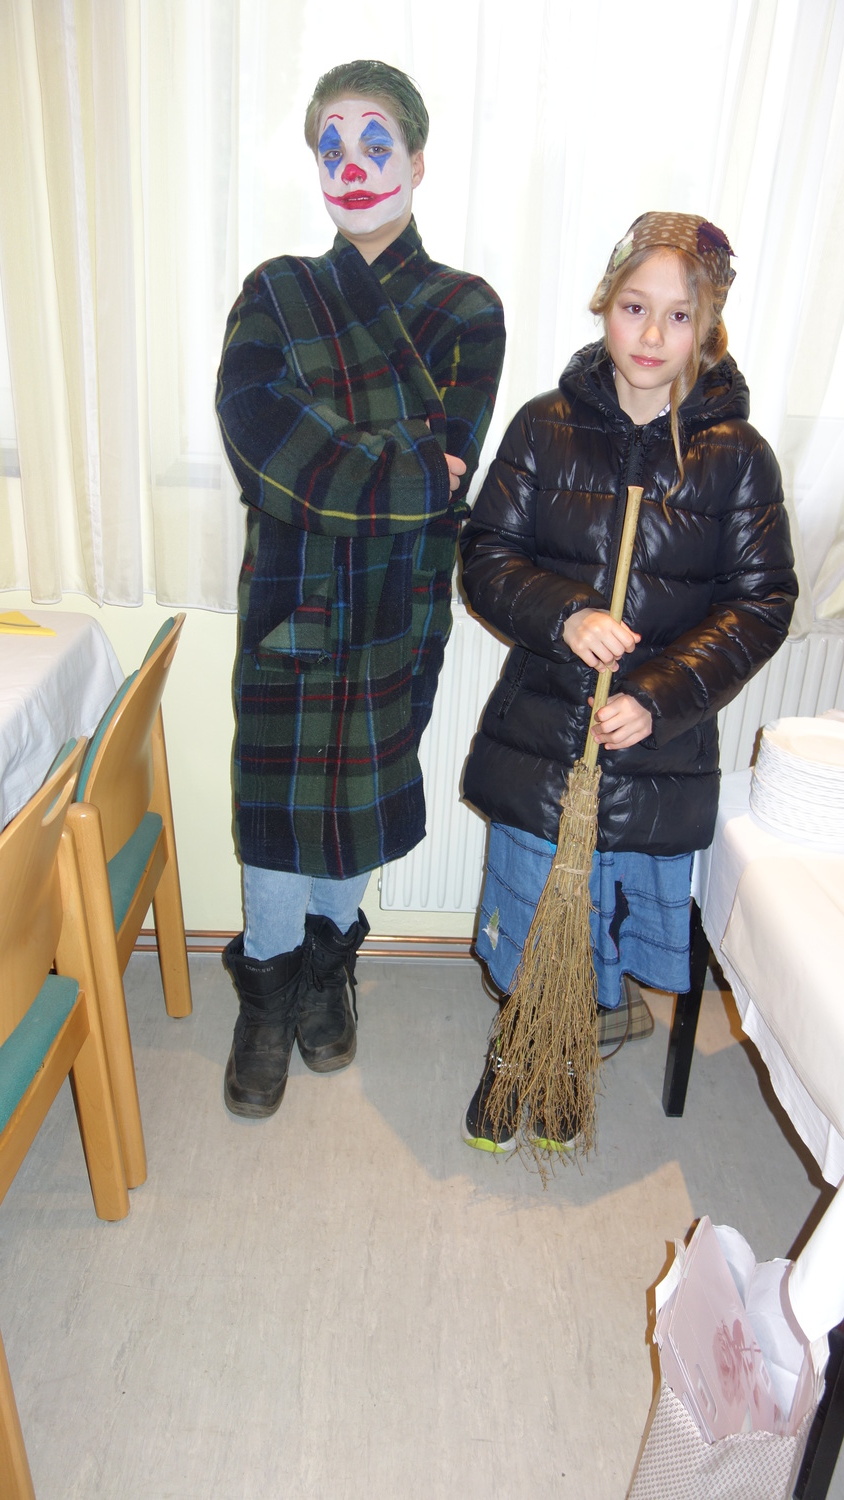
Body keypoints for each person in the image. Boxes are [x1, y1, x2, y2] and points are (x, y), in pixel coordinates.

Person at [458, 211, 798, 1154]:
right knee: (533, 899)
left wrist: (660, 694)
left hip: (655, 747)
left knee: (602, 912)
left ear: (708, 326)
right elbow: (486, 556)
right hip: (544, 732)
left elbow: (762, 603)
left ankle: (572, 1049)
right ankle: (517, 1045)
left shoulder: (736, 456)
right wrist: (566, 614)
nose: (651, 335)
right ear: (605, 305)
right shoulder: (545, 428)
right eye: (634, 307)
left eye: (678, 316)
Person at [215, 60, 505, 1118]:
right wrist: (401, 467)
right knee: (278, 807)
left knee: (358, 796)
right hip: (290, 593)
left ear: (417, 161)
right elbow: (260, 437)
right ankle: (266, 991)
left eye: (375, 143)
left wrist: (335, 463)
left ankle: (328, 967)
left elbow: (450, 464)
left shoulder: (467, 306)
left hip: (398, 601)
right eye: (330, 146)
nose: (351, 165)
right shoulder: (276, 289)